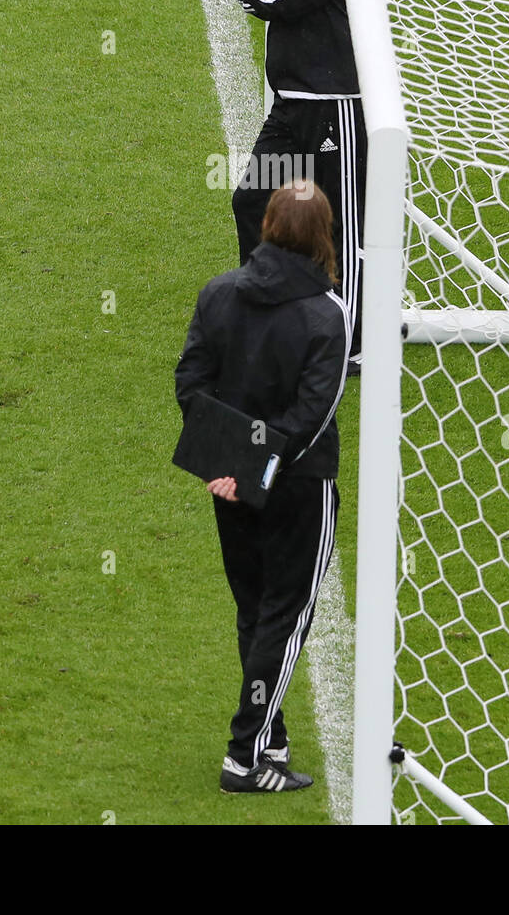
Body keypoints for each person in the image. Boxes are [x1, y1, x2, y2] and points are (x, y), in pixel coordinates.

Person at [175, 180, 350, 794]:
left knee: (255, 610)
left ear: (269, 225)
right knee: (287, 614)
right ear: (323, 234)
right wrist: (258, 469)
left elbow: (191, 383)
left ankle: (270, 740)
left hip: (231, 486)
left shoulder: (219, 293)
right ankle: (244, 755)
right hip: (297, 485)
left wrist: (226, 469)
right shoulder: (329, 315)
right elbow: (312, 416)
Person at [231, 0, 385, 372]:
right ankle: (271, 317)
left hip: (337, 106)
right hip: (291, 104)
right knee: (254, 201)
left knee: (342, 227)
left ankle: (352, 343)